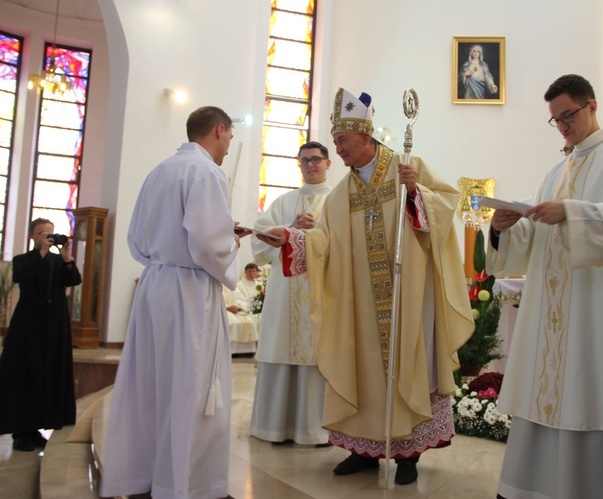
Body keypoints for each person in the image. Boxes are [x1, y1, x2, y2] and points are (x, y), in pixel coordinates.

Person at [257, 88, 474, 485]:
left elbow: (448, 207)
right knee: (363, 367)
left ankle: (408, 456)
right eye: (336, 142)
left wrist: (417, 194)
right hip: (361, 304)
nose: (337, 150)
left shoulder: (409, 168)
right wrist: (291, 240)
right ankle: (363, 449)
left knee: (410, 368)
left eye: (341, 141)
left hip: (410, 297)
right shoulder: (340, 196)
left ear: (365, 138)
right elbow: (325, 243)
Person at [488, 74, 603, 499]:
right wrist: (504, 228)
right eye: (555, 119)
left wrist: (571, 212)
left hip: (596, 312)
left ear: (592, 106)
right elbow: (535, 242)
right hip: (552, 315)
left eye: (567, 115)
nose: (563, 125)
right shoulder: (555, 172)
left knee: (592, 390)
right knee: (546, 397)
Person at [100, 106, 248, 499]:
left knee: (152, 384)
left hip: (155, 284)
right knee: (192, 389)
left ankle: (146, 478)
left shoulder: (160, 171)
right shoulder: (206, 172)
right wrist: (231, 242)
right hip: (189, 291)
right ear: (219, 130)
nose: (229, 148)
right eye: (230, 138)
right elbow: (206, 244)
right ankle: (190, 487)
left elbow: (136, 237)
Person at [249, 141, 333, 446]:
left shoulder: (338, 201)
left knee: (316, 356)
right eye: (304, 161)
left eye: (315, 160)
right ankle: (274, 427)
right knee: (281, 350)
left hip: (322, 294)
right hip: (284, 295)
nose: (310, 165)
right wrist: (289, 228)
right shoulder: (284, 202)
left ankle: (315, 430)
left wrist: (320, 230)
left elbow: (349, 245)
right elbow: (259, 241)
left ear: (328, 163)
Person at [0, 219, 81, 452]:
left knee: (48, 373)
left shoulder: (58, 261)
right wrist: (42, 253)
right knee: (26, 373)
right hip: (28, 325)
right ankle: (20, 432)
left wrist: (67, 258)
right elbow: (21, 276)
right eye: (41, 233)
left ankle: (38, 426)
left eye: (50, 233)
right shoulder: (23, 259)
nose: (47, 236)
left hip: (55, 324)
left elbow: (73, 280)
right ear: (32, 236)